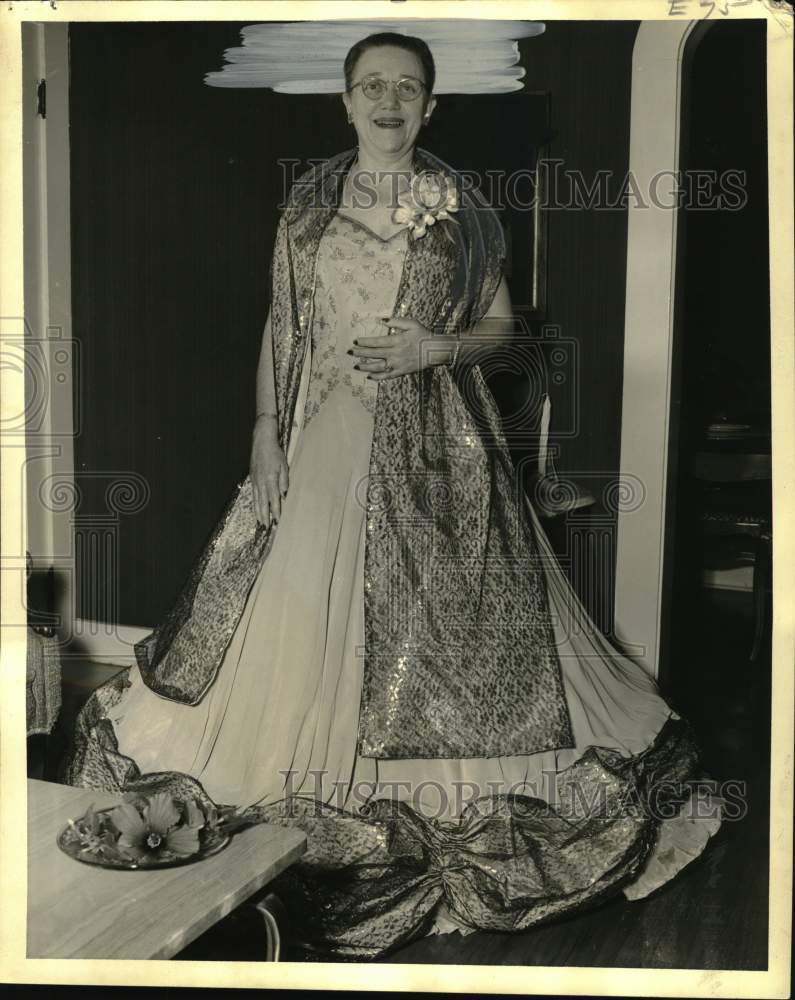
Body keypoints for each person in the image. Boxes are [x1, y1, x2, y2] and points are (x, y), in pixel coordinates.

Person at [66, 31, 724, 960]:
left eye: (406, 88)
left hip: (436, 455)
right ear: (344, 102)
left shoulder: (457, 207)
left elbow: (500, 326)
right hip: (317, 441)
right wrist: (263, 432)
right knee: (289, 623)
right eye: (370, 86)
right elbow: (279, 321)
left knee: (444, 630)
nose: (388, 102)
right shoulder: (307, 204)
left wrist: (433, 348)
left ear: (428, 106)